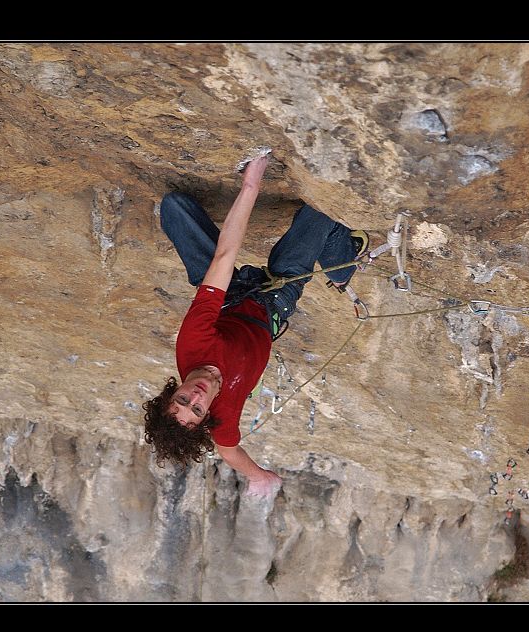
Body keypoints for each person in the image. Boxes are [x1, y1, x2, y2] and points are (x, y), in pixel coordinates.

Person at [142, 154, 368, 496]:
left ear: (170, 392)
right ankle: (342, 264)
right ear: (207, 417)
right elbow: (229, 451)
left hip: (232, 295)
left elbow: (224, 257)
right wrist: (259, 475)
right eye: (197, 409)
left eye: (183, 399)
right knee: (316, 213)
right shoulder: (224, 419)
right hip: (273, 302)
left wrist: (251, 185)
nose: (197, 397)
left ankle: (334, 251)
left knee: (175, 208)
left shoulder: (193, 343)